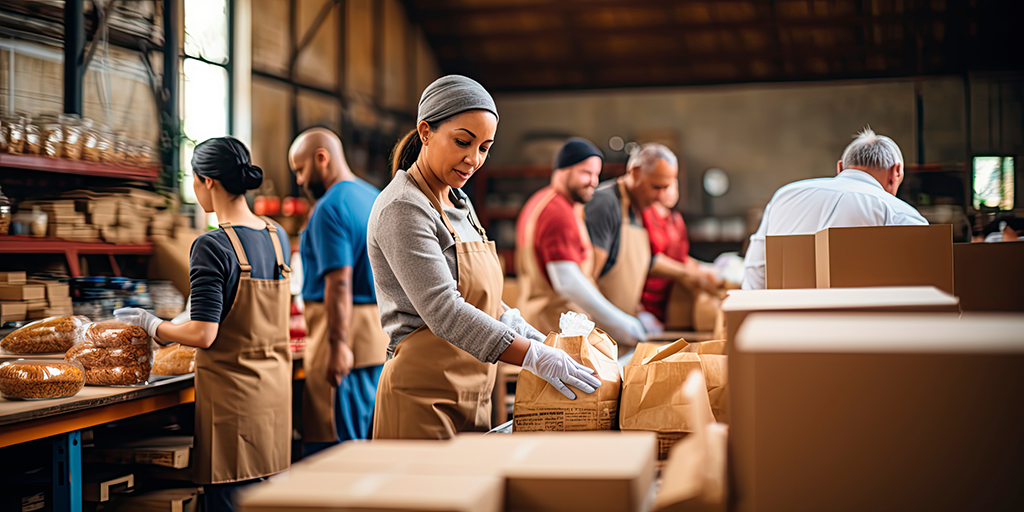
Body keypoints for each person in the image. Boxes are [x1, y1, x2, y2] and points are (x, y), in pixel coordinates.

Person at [368, 75, 601, 439]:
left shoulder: (460, 203)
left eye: (484, 147)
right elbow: (445, 311)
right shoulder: (404, 207)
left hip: (473, 392)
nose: (473, 159)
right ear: (426, 131)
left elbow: (486, 301)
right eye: (463, 142)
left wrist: (538, 339)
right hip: (421, 399)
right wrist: (532, 357)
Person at [115, 137, 291, 512]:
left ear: (207, 181)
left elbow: (203, 334)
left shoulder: (212, 245)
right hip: (274, 403)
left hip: (234, 410)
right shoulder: (278, 236)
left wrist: (152, 324)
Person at [289, 128, 389, 450]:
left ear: (322, 159)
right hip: (378, 337)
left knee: (335, 445)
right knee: (370, 438)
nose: (301, 181)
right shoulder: (373, 197)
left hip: (343, 338)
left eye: (300, 170)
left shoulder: (329, 208)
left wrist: (337, 345)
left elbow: (339, 281)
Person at [742, 127, 928, 290]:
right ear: (896, 172)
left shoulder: (785, 195)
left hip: (785, 323)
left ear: (840, 168)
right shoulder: (901, 214)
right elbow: (924, 284)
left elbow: (756, 271)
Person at [516, 137, 649, 344]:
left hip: (546, 324)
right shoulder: (557, 212)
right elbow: (567, 281)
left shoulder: (546, 201)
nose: (594, 182)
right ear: (562, 170)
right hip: (553, 332)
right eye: (585, 173)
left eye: (596, 175)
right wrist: (619, 321)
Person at [584, 143, 711, 348]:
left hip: (620, 336)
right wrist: (614, 320)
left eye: (666, 188)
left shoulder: (639, 207)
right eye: (656, 187)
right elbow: (587, 278)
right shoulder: (605, 204)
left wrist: (637, 311)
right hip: (598, 336)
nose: (660, 196)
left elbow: (633, 266)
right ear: (635, 172)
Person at [640, 180, 719, 327]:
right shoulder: (644, 216)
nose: (671, 191)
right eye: (666, 186)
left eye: (675, 186)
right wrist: (690, 274)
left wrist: (705, 270)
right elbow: (649, 261)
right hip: (646, 303)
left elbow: (681, 257)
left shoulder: (675, 220)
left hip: (669, 298)